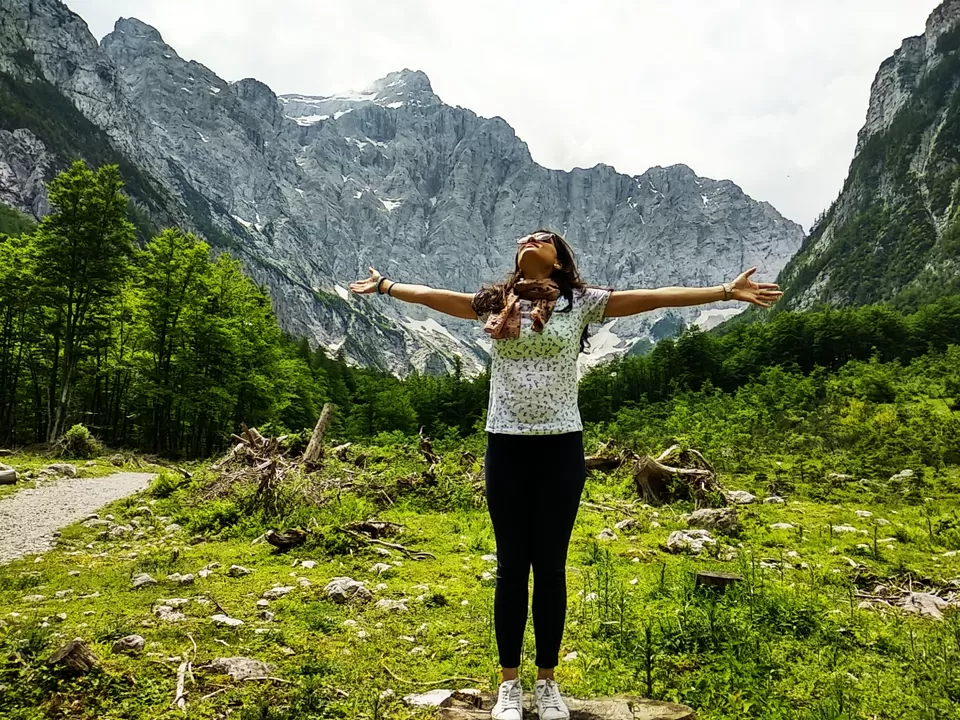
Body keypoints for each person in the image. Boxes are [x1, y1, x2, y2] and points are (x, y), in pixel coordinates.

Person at [349, 229, 781, 720]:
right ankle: (509, 686)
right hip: (505, 445)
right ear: (519, 258)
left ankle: (548, 683)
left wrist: (725, 291)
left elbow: (654, 298)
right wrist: (386, 285)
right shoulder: (493, 302)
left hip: (561, 448)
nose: (530, 240)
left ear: (557, 260)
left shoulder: (584, 302)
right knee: (512, 567)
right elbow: (431, 296)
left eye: (543, 238)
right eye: (525, 238)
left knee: (550, 568)